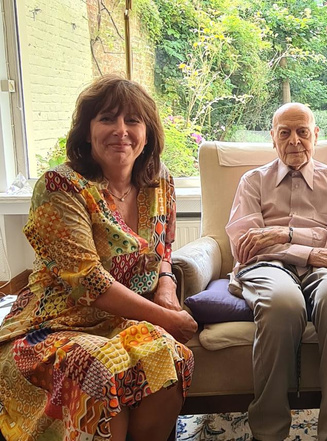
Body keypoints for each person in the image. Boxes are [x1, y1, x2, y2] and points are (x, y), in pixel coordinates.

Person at [0, 75, 197, 441]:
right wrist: (167, 317)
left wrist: (166, 285)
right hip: (54, 323)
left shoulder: (160, 182)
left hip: (122, 322)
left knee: (171, 359)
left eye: (132, 121)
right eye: (107, 119)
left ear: (148, 134)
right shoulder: (60, 187)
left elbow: (163, 247)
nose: (121, 131)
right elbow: (90, 282)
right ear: (87, 131)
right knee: (105, 371)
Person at [225, 102, 327, 441]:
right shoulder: (253, 181)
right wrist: (313, 249)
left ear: (316, 135)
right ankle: (269, 431)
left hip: (326, 265)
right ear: (272, 138)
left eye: (303, 132)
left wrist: (286, 235)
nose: (294, 141)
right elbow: (247, 245)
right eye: (284, 133)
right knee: (283, 305)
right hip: (267, 266)